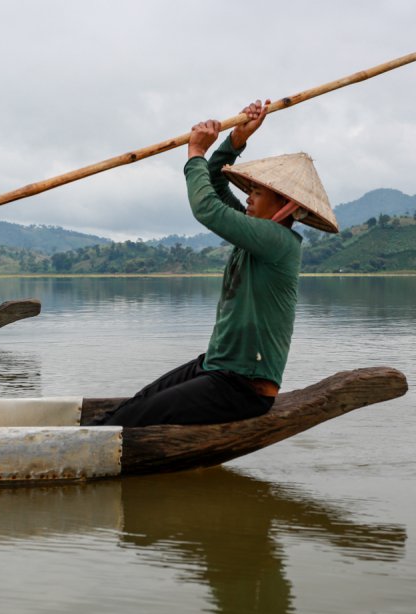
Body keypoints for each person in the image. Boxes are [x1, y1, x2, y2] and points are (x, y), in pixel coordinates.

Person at [98, 100, 338, 427]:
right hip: (216, 367)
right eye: (250, 190)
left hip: (243, 386)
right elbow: (213, 181)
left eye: (257, 192)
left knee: (135, 420)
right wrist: (235, 141)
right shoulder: (256, 233)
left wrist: (195, 151)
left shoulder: (276, 242)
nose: (249, 198)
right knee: (135, 407)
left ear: (284, 206)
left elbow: (206, 207)